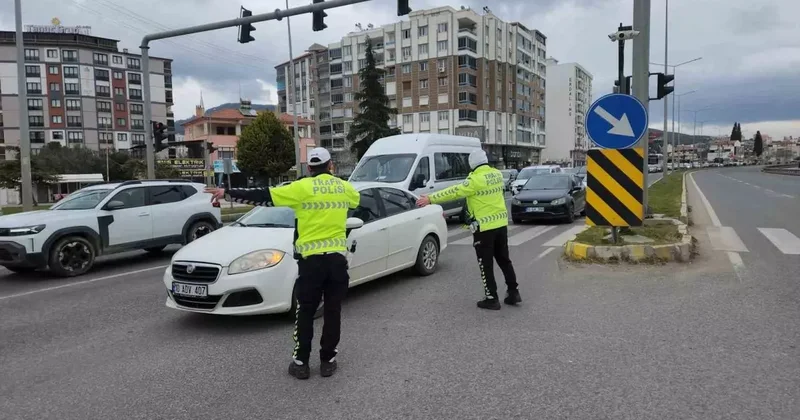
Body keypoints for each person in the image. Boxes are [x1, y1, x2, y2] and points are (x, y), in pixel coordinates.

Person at [205, 147, 360, 379]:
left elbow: (264, 195)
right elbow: (356, 202)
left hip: (311, 263)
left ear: (309, 168)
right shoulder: (345, 188)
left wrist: (227, 193)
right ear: (331, 167)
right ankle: (328, 361)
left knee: (306, 312)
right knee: (333, 311)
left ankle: (301, 364)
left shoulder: (301, 187)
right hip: (337, 261)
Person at [415, 149, 520, 310]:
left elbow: (454, 191)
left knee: (485, 264)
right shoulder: (497, 175)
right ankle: (513, 292)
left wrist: (430, 198)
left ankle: (491, 298)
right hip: (500, 225)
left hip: (484, 229)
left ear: (472, 164)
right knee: (504, 260)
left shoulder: (475, 180)